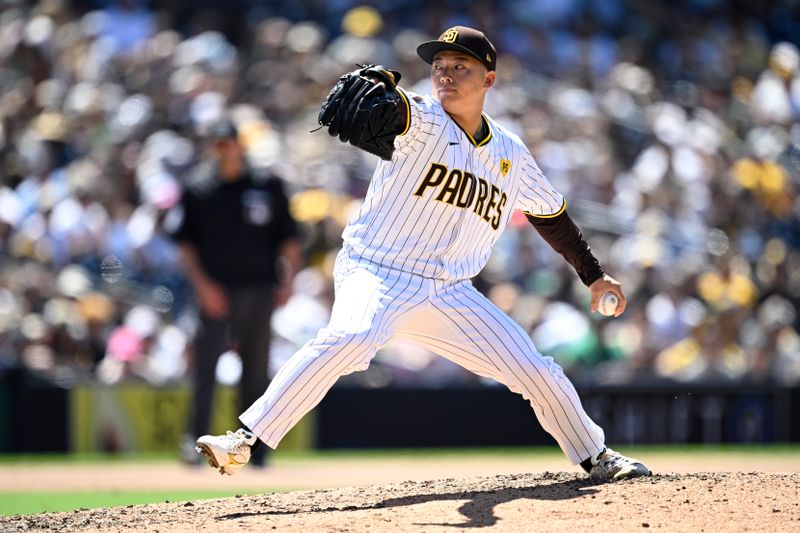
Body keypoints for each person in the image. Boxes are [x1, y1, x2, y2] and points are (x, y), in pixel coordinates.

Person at [195, 27, 650, 481]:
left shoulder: (511, 153)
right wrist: (389, 107)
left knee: (535, 369)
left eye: (459, 67)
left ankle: (597, 456)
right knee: (351, 337)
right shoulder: (424, 117)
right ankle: (245, 439)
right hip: (377, 271)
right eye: (438, 67)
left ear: (489, 79)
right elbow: (399, 111)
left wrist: (593, 275)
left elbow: (550, 215)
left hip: (449, 291)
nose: (445, 75)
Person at [172, 118, 301, 466]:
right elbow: (186, 245)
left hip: (259, 289)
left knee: (255, 371)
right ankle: (193, 442)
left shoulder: (267, 185)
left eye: (228, 143)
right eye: (218, 144)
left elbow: (288, 239)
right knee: (204, 370)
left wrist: (288, 283)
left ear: (239, 145)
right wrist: (202, 287)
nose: (224, 150)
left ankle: (252, 447)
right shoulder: (198, 187)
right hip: (215, 290)